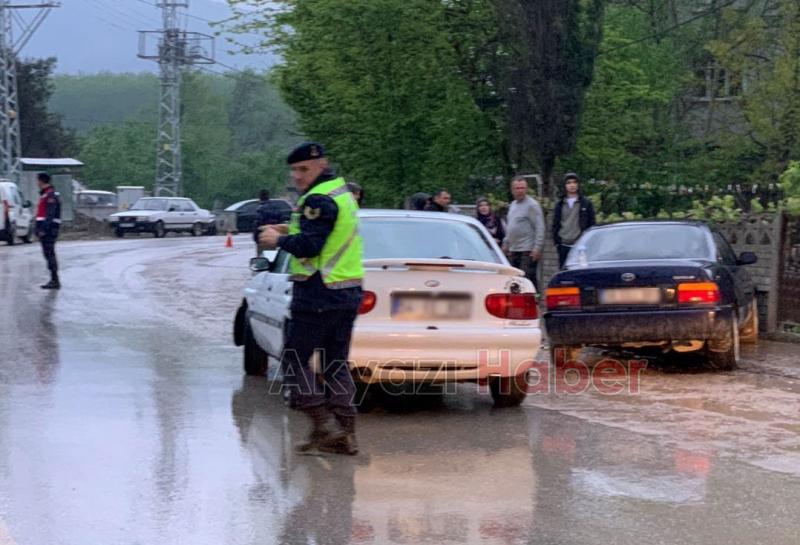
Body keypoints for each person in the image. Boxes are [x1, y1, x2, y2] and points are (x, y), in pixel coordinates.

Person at [259, 142, 363, 456]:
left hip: (318, 293)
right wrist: (289, 227)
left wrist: (278, 239)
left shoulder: (318, 199)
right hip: (346, 292)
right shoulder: (339, 193)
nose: (297, 176)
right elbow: (323, 232)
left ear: (321, 165)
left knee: (293, 360)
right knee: (335, 364)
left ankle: (325, 425)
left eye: (303, 169)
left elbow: (311, 245)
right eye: (294, 170)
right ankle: (345, 434)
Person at [503, 176, 545, 290]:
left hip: (527, 250)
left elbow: (539, 227)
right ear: (512, 190)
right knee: (514, 280)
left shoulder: (532, 205)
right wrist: (506, 243)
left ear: (526, 189)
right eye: (517, 188)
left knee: (527, 279)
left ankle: (535, 301)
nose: (520, 191)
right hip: (514, 250)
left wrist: (537, 248)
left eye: (523, 188)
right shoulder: (512, 205)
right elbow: (510, 227)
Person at [552, 173, 596, 269]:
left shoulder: (586, 203)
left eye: (575, 182)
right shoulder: (559, 204)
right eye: (569, 183)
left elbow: (592, 223)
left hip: (581, 245)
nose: (572, 185)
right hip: (563, 244)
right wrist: (557, 242)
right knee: (564, 270)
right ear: (564, 186)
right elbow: (555, 224)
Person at [35, 173, 61, 290]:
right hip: (47, 229)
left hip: (49, 230)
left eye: (38, 181)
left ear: (42, 181)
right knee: (48, 254)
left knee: (50, 254)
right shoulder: (45, 195)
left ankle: (55, 280)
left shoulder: (50, 195)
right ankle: (53, 279)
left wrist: (43, 229)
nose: (37, 183)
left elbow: (49, 215)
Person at [253, 189, 285, 257]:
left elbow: (257, 225)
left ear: (260, 198)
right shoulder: (276, 208)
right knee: (273, 258)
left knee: (262, 261)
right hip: (274, 238)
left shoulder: (260, 209)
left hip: (263, 239)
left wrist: (256, 239)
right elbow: (281, 223)